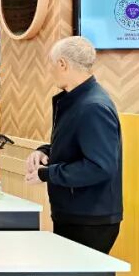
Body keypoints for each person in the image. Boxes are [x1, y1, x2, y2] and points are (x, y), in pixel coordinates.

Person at [25, 37, 122, 252]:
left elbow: (100, 166)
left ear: (62, 64)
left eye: (51, 64)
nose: (49, 70)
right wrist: (44, 152)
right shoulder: (74, 101)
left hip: (89, 219)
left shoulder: (93, 106)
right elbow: (75, 146)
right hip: (74, 213)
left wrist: (48, 173)